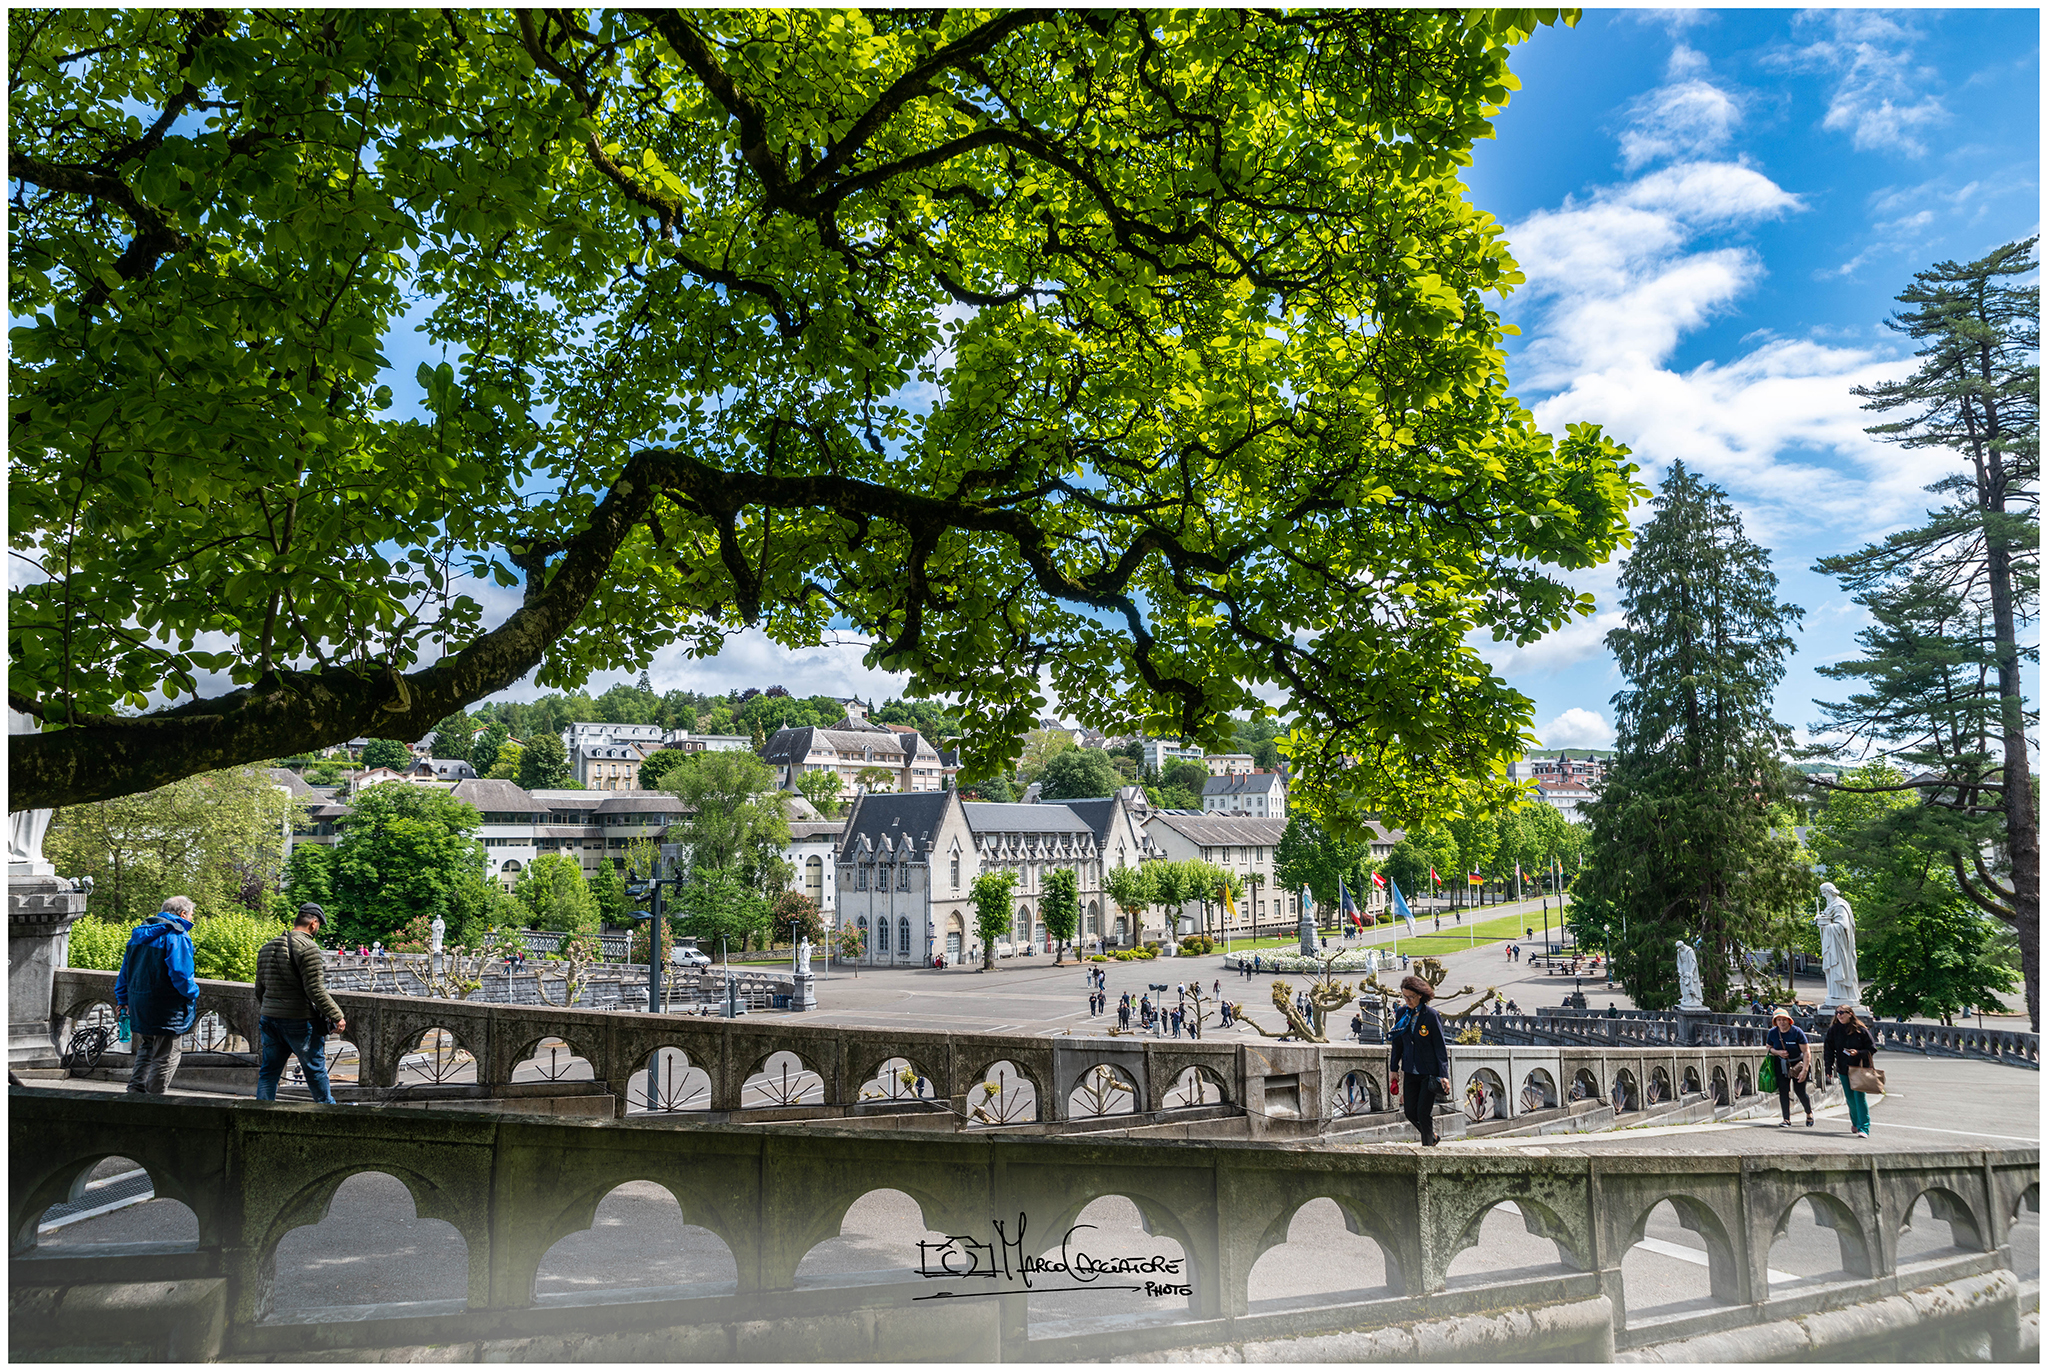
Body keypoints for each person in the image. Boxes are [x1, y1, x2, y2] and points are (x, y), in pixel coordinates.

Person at [253, 904, 349, 1104]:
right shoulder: (308, 948)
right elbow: (315, 989)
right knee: (314, 1070)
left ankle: (260, 1114)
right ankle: (328, 1115)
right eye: (319, 925)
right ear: (313, 923)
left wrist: (271, 1008)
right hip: (299, 1020)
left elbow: (259, 990)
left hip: (269, 1018)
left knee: (269, 1072)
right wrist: (336, 1015)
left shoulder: (267, 946)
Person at [113, 895, 201, 1095]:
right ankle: (155, 1103)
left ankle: (135, 1093)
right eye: (191, 915)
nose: (191, 919)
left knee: (147, 1047)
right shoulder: (177, 936)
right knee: (167, 1055)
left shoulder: (138, 936)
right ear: (183, 914)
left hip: (139, 1004)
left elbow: (124, 973)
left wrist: (123, 1000)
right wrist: (193, 992)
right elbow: (181, 974)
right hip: (167, 1007)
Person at [1388, 974, 1450, 1146]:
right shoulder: (1401, 1013)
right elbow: (1397, 1043)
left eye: (1411, 997)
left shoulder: (1431, 1015)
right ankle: (1432, 1136)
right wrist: (1394, 1069)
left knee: (1423, 1113)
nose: (1407, 1000)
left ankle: (1427, 1148)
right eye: (1404, 996)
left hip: (1428, 1072)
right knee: (1409, 1112)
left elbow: (1440, 1047)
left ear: (1420, 995)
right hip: (1409, 1069)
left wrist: (1443, 1074)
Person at [1823, 1004, 1879, 1139]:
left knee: (1859, 1098)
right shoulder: (1834, 1030)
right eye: (1837, 1013)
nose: (1839, 1015)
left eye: (1842, 1012)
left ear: (1850, 1014)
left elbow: (1872, 1049)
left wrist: (1858, 1053)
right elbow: (1828, 1051)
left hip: (1859, 1068)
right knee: (1850, 1098)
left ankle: (1864, 1127)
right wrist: (1828, 1068)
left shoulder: (1861, 1030)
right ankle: (1855, 1122)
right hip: (1843, 1068)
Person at [1765, 1008, 1814, 1128]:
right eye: (1779, 1020)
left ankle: (1809, 1113)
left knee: (1800, 1091)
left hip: (1797, 1064)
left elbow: (1806, 1051)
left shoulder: (1796, 1032)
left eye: (1784, 1020)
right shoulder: (1773, 1033)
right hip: (1781, 1064)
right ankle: (1786, 1119)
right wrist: (1778, 1052)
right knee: (1783, 1091)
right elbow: (1768, 1048)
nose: (1782, 1022)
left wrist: (1805, 1069)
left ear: (1789, 1020)